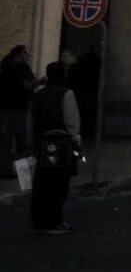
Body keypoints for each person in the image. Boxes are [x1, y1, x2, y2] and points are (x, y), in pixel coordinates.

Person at [28, 62, 81, 233]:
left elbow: (31, 121)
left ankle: (40, 220)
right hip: (61, 144)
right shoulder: (67, 94)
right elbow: (71, 121)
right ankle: (53, 220)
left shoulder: (38, 95)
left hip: (42, 145)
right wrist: (76, 142)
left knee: (42, 183)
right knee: (58, 185)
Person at [1, 45, 36, 176]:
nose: (28, 56)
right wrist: (41, 82)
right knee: (23, 142)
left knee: (5, 143)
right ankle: (23, 174)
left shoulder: (4, 67)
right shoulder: (23, 67)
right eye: (26, 54)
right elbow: (27, 85)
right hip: (19, 109)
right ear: (20, 54)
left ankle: (4, 171)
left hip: (4, 109)